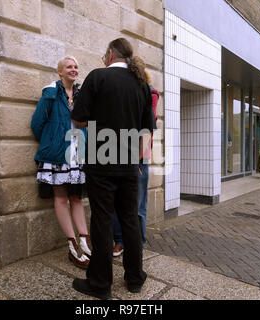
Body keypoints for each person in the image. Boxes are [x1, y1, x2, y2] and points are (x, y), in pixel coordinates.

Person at [71, 38, 156, 300]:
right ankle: (134, 279)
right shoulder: (141, 83)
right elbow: (147, 128)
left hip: (101, 161)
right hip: (130, 164)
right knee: (130, 220)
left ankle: (100, 284)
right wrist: (140, 162)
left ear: (110, 54)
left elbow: (78, 117)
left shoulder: (97, 77)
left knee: (102, 220)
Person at [31, 56, 91, 269]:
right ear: (60, 72)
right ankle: (72, 245)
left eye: (76, 66)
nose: (74, 69)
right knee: (61, 198)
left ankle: (85, 240)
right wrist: (53, 141)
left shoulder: (81, 94)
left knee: (76, 197)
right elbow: (37, 124)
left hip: (77, 155)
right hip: (56, 155)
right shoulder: (51, 93)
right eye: (69, 67)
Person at [113, 70, 159, 257]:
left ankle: (137, 241)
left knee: (138, 203)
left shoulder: (150, 93)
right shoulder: (124, 92)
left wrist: (139, 160)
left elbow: (147, 129)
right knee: (118, 201)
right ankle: (120, 241)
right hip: (118, 152)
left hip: (139, 155)